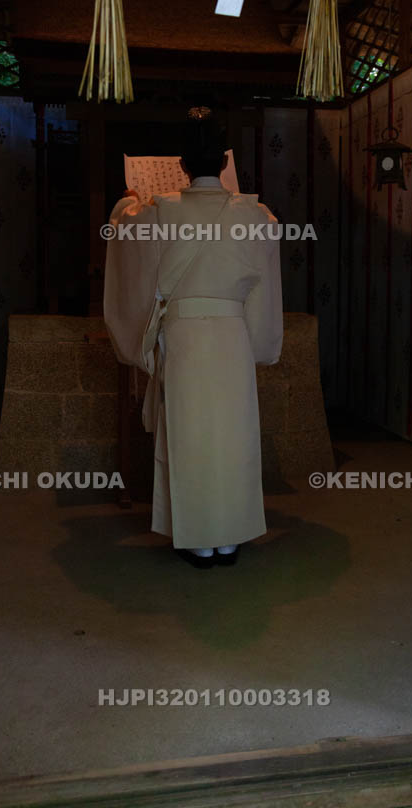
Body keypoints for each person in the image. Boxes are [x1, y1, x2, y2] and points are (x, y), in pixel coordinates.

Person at [103, 110, 283, 568]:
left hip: (183, 337)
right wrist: (261, 344)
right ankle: (230, 538)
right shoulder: (257, 216)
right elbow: (264, 293)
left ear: (182, 164)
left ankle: (199, 540)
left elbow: (124, 233)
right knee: (233, 433)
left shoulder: (158, 211)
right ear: (224, 162)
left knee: (189, 434)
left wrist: (126, 201)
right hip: (232, 337)